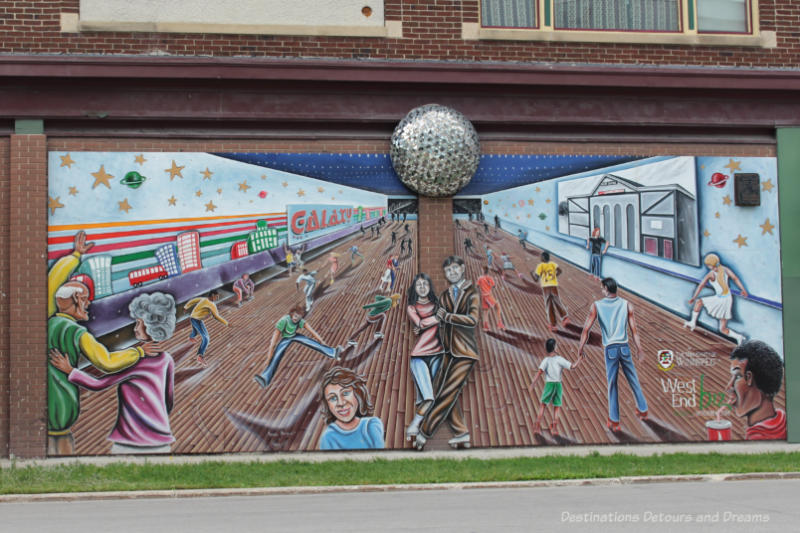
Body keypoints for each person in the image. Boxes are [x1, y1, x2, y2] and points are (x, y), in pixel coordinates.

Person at [47, 231, 157, 455]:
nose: (89, 304)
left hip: (44, 400)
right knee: (62, 441)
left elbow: (52, 282)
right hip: (62, 405)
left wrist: (75, 256)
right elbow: (106, 361)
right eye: (86, 300)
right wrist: (136, 352)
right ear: (76, 301)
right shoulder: (78, 333)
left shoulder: (48, 322)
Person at [49, 292, 176, 454]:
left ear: (151, 326)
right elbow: (169, 400)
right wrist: (158, 418)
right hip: (161, 435)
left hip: (132, 438)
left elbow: (99, 383)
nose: (135, 327)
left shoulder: (134, 362)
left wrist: (70, 371)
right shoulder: (167, 359)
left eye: (138, 323)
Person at [415, 256, 479, 450]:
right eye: (448, 271)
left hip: (465, 352)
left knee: (447, 391)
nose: (451, 273)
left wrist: (449, 317)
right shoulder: (444, 295)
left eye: (454, 269)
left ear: (462, 268)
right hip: (448, 351)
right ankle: (461, 433)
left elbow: (472, 320)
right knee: (445, 391)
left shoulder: (472, 293)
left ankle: (425, 431)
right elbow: (439, 320)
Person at [577, 277, 648, 432]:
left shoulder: (597, 306)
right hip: (624, 347)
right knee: (633, 379)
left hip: (610, 349)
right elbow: (634, 330)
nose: (602, 290)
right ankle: (643, 410)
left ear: (605, 289)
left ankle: (614, 421)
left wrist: (580, 348)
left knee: (612, 384)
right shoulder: (627, 304)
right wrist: (639, 348)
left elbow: (586, 330)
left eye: (602, 288)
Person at [254, 305, 341, 388]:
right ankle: (265, 378)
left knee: (310, 342)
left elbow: (312, 331)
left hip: (295, 335)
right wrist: (269, 358)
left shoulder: (300, 321)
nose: (296, 319)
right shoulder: (283, 320)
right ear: (291, 314)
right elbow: (273, 342)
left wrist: (321, 341)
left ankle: (333, 352)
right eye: (295, 316)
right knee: (277, 355)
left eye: (298, 317)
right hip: (285, 339)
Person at [405, 273, 444, 440]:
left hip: (438, 354)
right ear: (415, 288)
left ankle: (420, 434)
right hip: (419, 356)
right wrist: (436, 318)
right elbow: (419, 323)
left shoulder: (437, 305)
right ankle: (413, 426)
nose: (422, 287)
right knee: (428, 397)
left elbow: (442, 323)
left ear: (429, 287)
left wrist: (438, 318)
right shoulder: (412, 307)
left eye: (425, 284)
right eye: (418, 285)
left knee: (424, 396)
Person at [684, 253, 748, 345]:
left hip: (721, 300)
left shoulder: (711, 274)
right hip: (727, 299)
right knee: (722, 329)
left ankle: (693, 322)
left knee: (698, 302)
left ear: (710, 265)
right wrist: (743, 290)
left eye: (708, 265)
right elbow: (735, 278)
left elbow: (701, 286)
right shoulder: (725, 269)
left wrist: (694, 297)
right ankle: (739, 337)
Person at [727, 340, 786, 440]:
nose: (728, 387)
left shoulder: (757, 438)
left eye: (737, 377)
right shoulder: (783, 421)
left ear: (749, 378)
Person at [319, 366, 385, 450]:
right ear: (327, 405)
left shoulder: (371, 425)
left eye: (345, 393)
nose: (341, 403)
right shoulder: (328, 438)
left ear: (358, 393)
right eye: (333, 398)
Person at [529, 338, 581, 436]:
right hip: (558, 385)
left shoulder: (546, 360)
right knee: (556, 407)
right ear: (554, 348)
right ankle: (554, 429)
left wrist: (533, 383)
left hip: (549, 384)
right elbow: (572, 366)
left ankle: (537, 427)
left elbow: (539, 372)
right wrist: (580, 359)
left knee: (543, 405)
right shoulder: (560, 359)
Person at [184, 290, 228, 367]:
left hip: (193, 318)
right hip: (196, 320)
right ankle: (200, 356)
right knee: (206, 338)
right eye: (216, 296)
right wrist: (226, 323)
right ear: (213, 295)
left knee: (195, 332)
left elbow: (194, 300)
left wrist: (186, 307)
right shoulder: (211, 304)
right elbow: (216, 317)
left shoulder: (204, 299)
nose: (217, 298)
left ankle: (191, 337)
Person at [532, 251, 570, 332]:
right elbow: (560, 271)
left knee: (549, 305)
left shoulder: (540, 266)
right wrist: (554, 277)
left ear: (543, 258)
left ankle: (553, 325)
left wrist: (532, 274)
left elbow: (536, 279)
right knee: (557, 301)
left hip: (546, 287)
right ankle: (565, 318)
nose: (540, 258)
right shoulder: (553, 264)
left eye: (541, 257)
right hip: (553, 285)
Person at [476, 266, 505, 331]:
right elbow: (494, 287)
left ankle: (485, 326)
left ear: (483, 271)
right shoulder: (489, 278)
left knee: (486, 311)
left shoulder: (480, 278)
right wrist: (497, 281)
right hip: (488, 296)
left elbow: (477, 286)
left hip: (483, 296)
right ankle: (499, 323)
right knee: (497, 307)